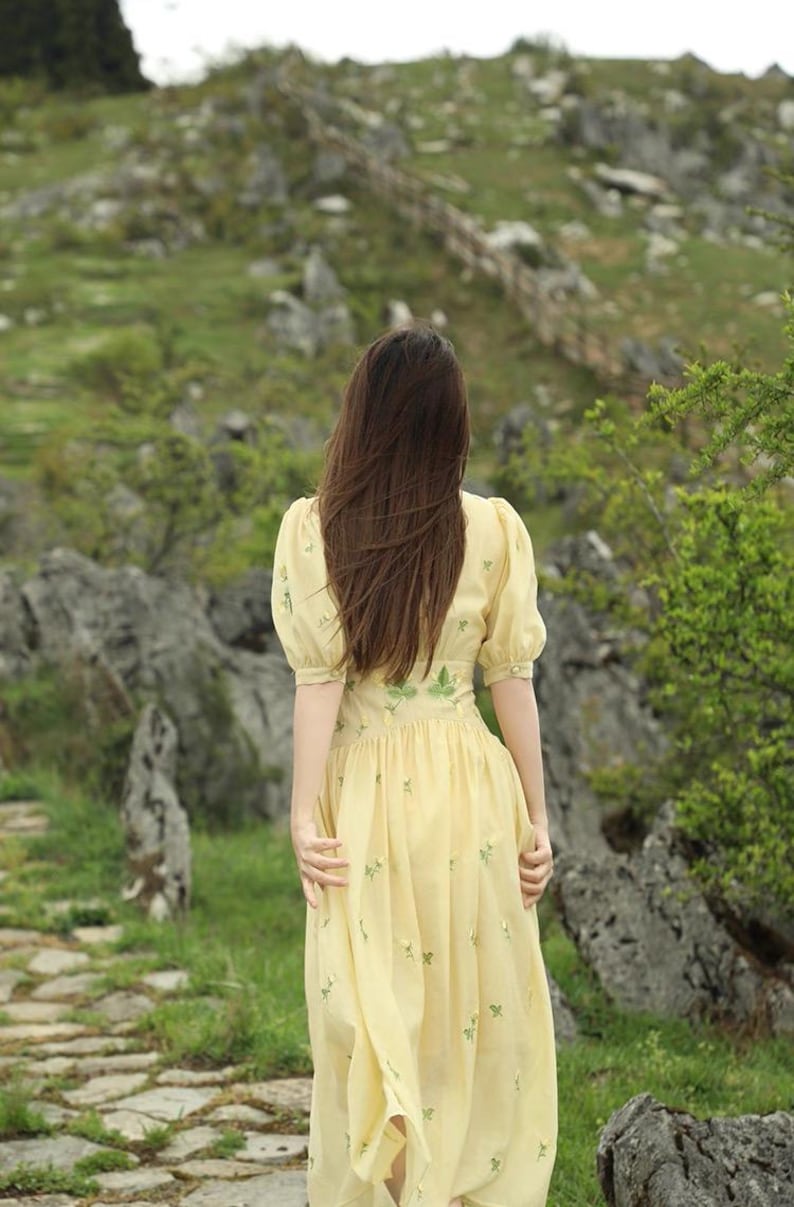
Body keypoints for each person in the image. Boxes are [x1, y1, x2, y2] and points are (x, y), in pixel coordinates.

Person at [271, 322, 557, 1207]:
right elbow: (511, 680)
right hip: (472, 790)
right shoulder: (494, 529)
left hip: (365, 794)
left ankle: (399, 1190)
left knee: (370, 1020)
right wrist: (539, 819)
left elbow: (318, 684)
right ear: (452, 422)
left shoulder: (319, 529)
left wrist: (302, 813)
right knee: (467, 1016)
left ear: (363, 413)